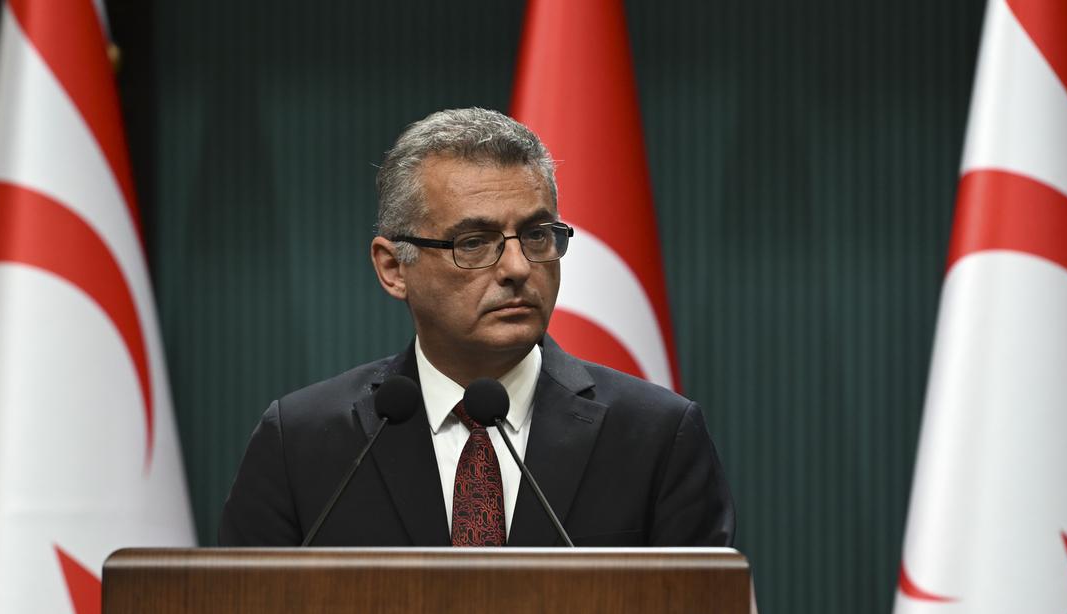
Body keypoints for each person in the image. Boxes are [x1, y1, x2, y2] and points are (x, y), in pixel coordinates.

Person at [219, 107, 733, 547]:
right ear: (394, 268)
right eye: (474, 243)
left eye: (536, 235)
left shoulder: (656, 438)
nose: (516, 268)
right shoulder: (303, 442)